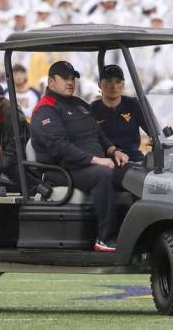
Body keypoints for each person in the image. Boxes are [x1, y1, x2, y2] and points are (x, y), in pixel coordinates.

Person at [30, 61, 130, 252]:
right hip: (61, 168)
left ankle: (133, 232)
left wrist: (113, 151)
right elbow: (60, 148)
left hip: (87, 164)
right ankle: (105, 238)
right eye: (65, 78)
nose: (70, 82)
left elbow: (97, 133)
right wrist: (97, 160)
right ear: (51, 81)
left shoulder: (79, 104)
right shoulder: (45, 109)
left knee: (132, 172)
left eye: (72, 78)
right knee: (102, 175)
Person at [90, 64, 148, 163]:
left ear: (123, 85)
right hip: (106, 160)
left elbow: (151, 129)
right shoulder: (92, 109)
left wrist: (157, 138)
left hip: (133, 157)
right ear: (99, 84)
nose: (114, 86)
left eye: (118, 82)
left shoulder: (134, 104)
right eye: (109, 81)